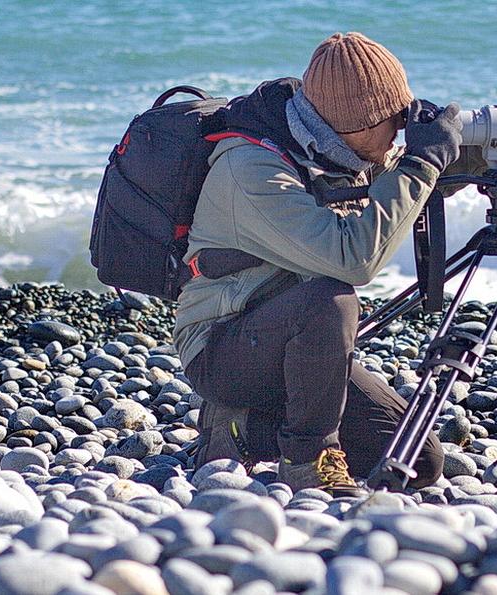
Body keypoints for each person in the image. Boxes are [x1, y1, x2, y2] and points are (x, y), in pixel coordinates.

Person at [173, 32, 474, 494]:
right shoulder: (253, 169)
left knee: (419, 461)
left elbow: (406, 188)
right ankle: (307, 458)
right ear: (352, 126)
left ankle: (238, 430)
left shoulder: (335, 149)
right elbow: (354, 259)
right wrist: (419, 164)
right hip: (222, 345)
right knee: (331, 299)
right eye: (393, 121)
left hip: (291, 338)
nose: (400, 131)